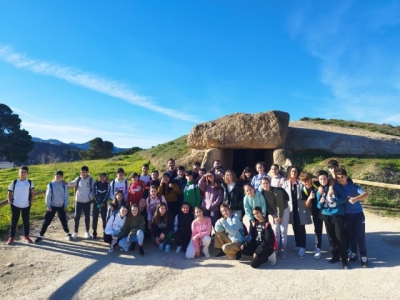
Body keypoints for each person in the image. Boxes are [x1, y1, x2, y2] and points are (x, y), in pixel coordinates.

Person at [316, 170, 349, 269]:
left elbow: (344, 199)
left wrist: (334, 199)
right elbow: (318, 206)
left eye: (324, 178)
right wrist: (321, 202)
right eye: (321, 179)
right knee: (331, 238)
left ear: (328, 178)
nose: (323, 181)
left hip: (337, 215)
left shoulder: (336, 187)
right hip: (326, 215)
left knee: (340, 237)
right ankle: (335, 256)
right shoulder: (319, 190)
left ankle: (344, 260)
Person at [336, 168, 369, 267]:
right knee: (350, 236)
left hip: (358, 214)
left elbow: (365, 194)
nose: (341, 179)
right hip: (346, 216)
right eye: (338, 178)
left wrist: (356, 198)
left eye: (342, 177)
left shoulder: (352, 186)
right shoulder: (337, 188)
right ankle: (354, 253)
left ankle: (364, 257)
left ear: (346, 177)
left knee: (360, 236)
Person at [282, 166, 312, 257]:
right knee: (294, 226)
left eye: (295, 171)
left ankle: (303, 246)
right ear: (289, 172)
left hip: (300, 208)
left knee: (301, 227)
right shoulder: (285, 183)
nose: (293, 173)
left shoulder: (301, 182)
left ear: (298, 173)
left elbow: (306, 192)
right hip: (291, 209)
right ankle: (298, 245)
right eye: (292, 171)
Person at [35, 170, 71, 243]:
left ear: (62, 177)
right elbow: (48, 196)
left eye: (59, 175)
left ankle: (67, 233)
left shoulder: (64, 185)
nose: (58, 177)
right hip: (52, 206)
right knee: (47, 221)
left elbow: (66, 196)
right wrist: (48, 206)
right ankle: (41, 235)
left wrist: (65, 205)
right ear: (54, 176)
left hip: (61, 206)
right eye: (56, 175)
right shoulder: (50, 185)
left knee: (63, 220)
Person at [260, 177, 290, 259]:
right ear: (261, 184)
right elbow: (267, 206)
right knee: (276, 230)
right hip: (275, 212)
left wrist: (279, 216)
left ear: (269, 183)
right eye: (263, 183)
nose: (265, 185)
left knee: (283, 229)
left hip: (284, 209)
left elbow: (279, 205)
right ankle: (276, 247)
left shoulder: (276, 192)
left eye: (267, 183)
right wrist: (273, 215)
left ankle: (283, 248)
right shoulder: (262, 193)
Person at [7, 165, 35, 245]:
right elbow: (9, 192)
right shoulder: (14, 182)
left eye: (25, 172)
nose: (23, 173)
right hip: (15, 204)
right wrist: (9, 200)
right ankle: (11, 237)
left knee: (26, 221)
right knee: (14, 221)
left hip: (26, 205)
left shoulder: (30, 182)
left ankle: (26, 236)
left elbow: (32, 193)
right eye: (21, 172)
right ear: (19, 173)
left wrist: (31, 201)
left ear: (27, 173)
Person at [299, 172, 323, 259]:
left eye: (308, 180)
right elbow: (306, 205)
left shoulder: (317, 183)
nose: (307, 183)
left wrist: (321, 187)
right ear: (301, 182)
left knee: (331, 229)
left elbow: (326, 182)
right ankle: (318, 248)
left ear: (310, 179)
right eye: (304, 181)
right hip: (315, 211)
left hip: (327, 209)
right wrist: (309, 198)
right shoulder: (304, 190)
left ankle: (336, 247)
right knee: (318, 229)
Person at [67, 165, 94, 239]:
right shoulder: (78, 179)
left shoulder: (91, 180)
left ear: (87, 172)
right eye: (82, 172)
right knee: (76, 217)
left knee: (87, 217)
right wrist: (66, 183)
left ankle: (87, 232)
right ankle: (75, 232)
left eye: (84, 172)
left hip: (87, 202)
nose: (83, 174)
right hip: (78, 201)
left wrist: (90, 196)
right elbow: (73, 183)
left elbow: (93, 190)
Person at [92, 172, 110, 239]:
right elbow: (94, 194)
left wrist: (103, 202)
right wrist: (99, 203)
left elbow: (107, 194)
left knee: (104, 217)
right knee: (95, 217)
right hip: (97, 204)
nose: (102, 178)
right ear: (98, 177)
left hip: (104, 204)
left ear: (106, 177)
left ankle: (104, 231)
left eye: (103, 177)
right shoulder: (96, 184)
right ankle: (94, 232)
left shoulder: (107, 184)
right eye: (100, 177)